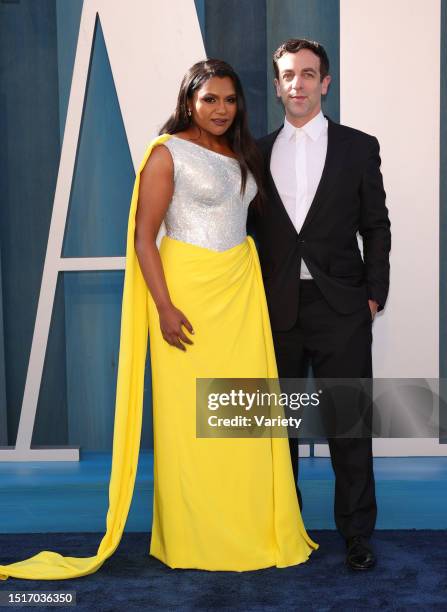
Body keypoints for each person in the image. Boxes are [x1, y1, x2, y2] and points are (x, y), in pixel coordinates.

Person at [0, 59, 317, 580]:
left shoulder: (241, 153)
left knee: (242, 417)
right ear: (188, 100)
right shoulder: (166, 153)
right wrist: (165, 306)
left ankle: (254, 527)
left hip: (240, 294)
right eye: (209, 99)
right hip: (188, 297)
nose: (220, 109)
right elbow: (145, 236)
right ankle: (200, 536)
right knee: (192, 424)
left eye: (230, 100)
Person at [250, 39, 391, 570]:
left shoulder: (358, 146)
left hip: (343, 308)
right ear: (279, 83)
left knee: (349, 426)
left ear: (324, 82)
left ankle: (357, 536)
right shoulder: (255, 152)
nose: (298, 84)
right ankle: (283, 529)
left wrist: (374, 295)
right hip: (275, 308)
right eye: (288, 75)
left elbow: (376, 226)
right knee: (274, 429)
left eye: (308, 74)